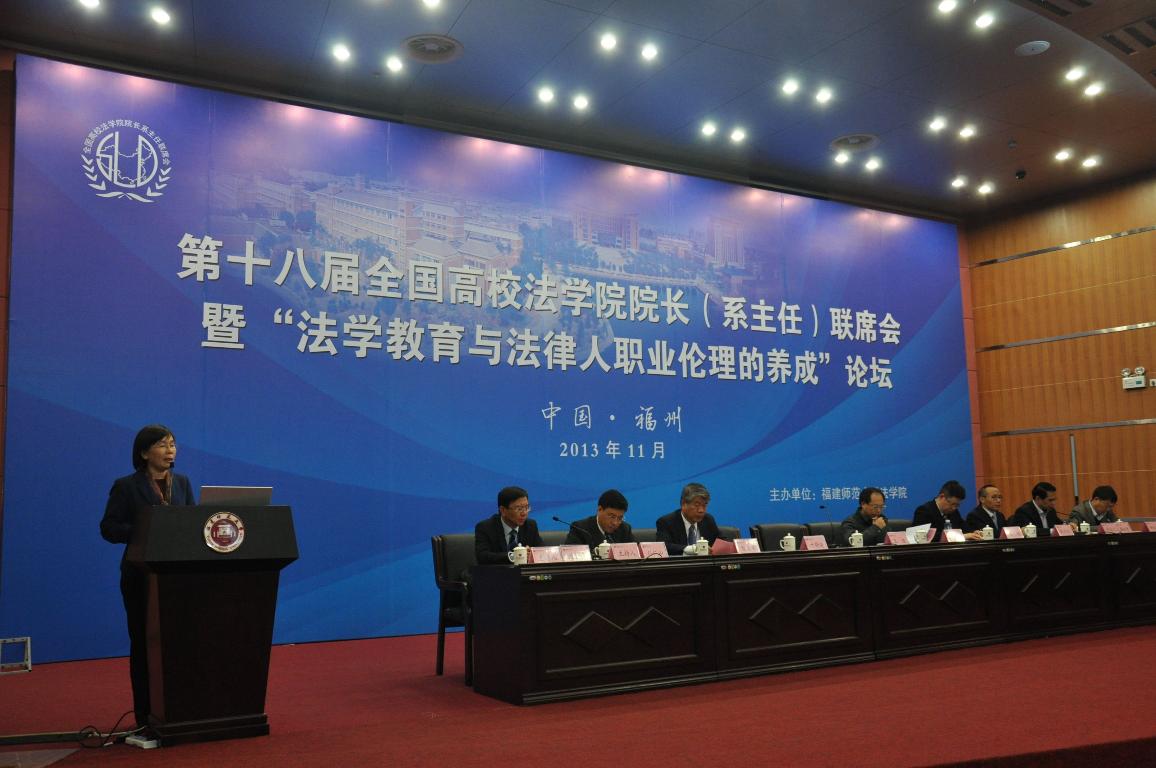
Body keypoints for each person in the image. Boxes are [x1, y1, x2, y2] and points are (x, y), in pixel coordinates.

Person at [100, 424, 194, 749]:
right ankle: (145, 716)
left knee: (178, 644)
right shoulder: (126, 486)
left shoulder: (182, 483)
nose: (170, 450)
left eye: (173, 444)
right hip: (140, 577)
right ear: (144, 452)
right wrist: (146, 528)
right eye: (162, 445)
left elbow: (191, 523)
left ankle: (179, 712)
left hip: (177, 578)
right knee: (144, 644)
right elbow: (109, 528)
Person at [474, 486, 543, 565]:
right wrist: (515, 555)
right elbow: (482, 556)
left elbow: (541, 551)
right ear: (503, 510)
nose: (524, 513)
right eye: (519, 509)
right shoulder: (485, 527)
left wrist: (533, 553)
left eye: (526, 507)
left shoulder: (530, 525)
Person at [656, 482, 721, 555]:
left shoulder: (708, 520)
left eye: (704, 505)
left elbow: (721, 541)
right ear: (683, 504)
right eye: (697, 505)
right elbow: (664, 547)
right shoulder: (666, 522)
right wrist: (692, 549)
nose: (701, 510)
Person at [564, 489, 635, 552]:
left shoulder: (625, 529)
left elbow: (636, 555)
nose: (615, 523)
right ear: (600, 509)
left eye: (620, 518)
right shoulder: (580, 529)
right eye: (612, 516)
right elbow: (570, 556)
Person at [913, 480, 981, 541]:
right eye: (952, 504)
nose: (954, 508)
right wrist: (961, 536)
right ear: (942, 497)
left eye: (957, 505)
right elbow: (925, 536)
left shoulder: (954, 512)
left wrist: (974, 532)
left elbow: (963, 526)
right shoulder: (924, 511)